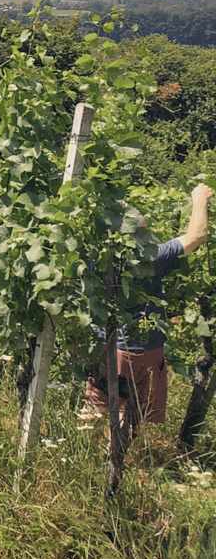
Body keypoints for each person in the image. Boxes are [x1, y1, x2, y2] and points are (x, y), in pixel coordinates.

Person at [86, 182, 213, 429]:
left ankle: (94, 458)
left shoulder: (95, 257)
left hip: (101, 344)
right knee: (130, 413)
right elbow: (196, 236)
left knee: (98, 408)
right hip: (138, 351)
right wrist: (199, 199)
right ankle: (116, 459)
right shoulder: (149, 259)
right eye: (144, 230)